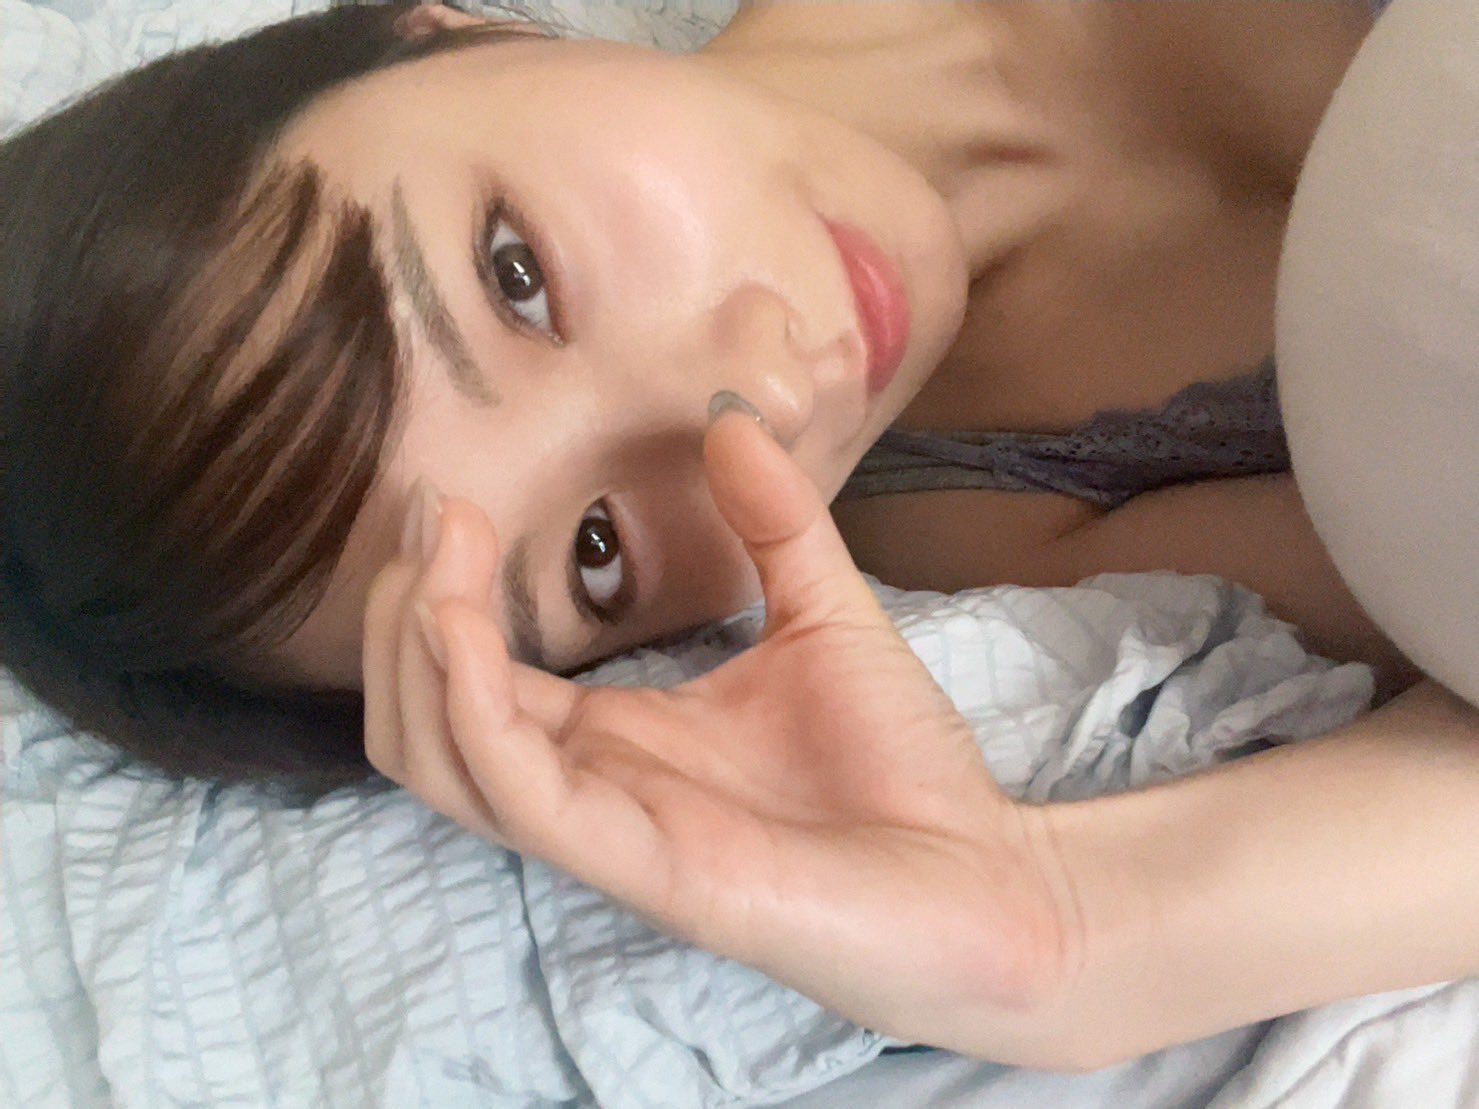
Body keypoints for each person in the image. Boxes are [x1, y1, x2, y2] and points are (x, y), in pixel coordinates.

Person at [3, 0, 1477, 1072]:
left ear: (432, 28)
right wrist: (1057, 930)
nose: (769, 388)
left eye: (516, 276)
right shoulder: (991, 516)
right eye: (596, 554)